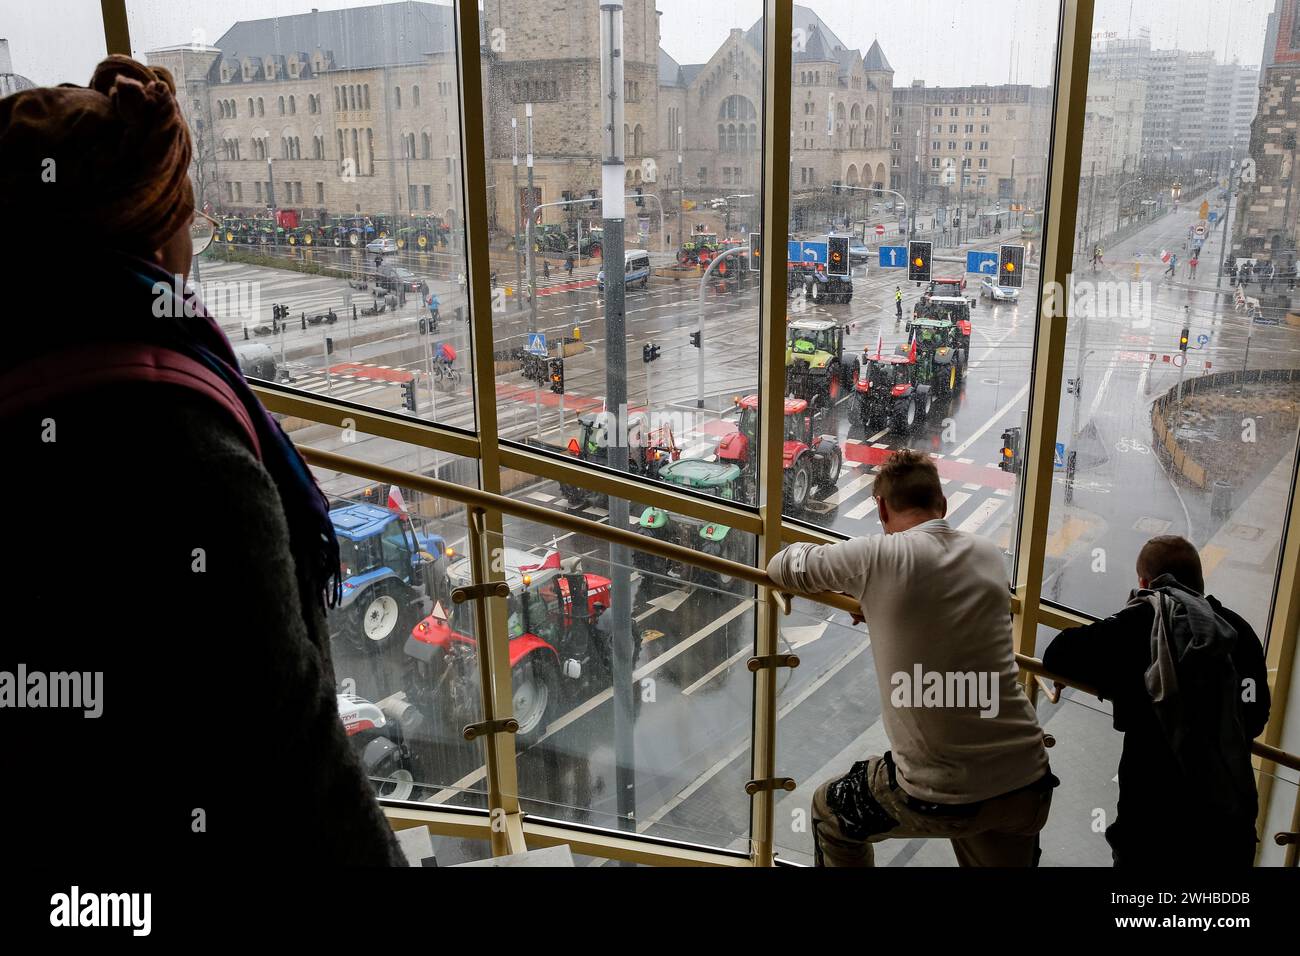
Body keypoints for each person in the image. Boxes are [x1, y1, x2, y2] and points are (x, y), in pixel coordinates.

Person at [0, 56, 406, 866]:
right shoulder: (177, 436)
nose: (195, 241)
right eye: (188, 216)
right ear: (152, 232)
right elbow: (291, 738)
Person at [767, 450, 1056, 867]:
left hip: (941, 790)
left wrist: (868, 593)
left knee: (830, 812)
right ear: (943, 504)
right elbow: (944, 608)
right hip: (1027, 780)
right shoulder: (987, 555)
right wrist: (880, 600)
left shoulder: (876, 557)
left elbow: (783, 566)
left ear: (882, 509)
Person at [1043, 536, 1269, 867]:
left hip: (1152, 826)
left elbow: (1058, 653)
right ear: (1200, 580)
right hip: (1227, 828)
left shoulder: (1144, 623)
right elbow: (1256, 716)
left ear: (1145, 583)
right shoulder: (1238, 632)